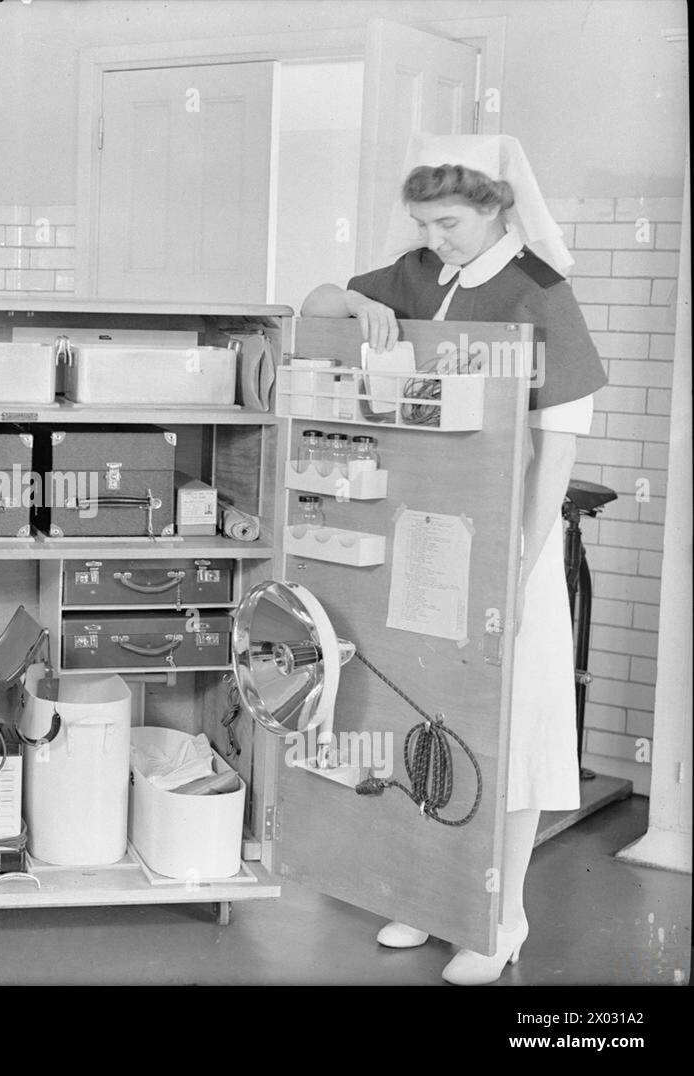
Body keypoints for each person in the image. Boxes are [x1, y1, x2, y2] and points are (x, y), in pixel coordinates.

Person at [301, 134, 607, 986]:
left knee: (506, 730)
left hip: (513, 548)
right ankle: (437, 895)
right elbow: (318, 298)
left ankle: (500, 916)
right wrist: (355, 307)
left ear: (497, 208)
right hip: (429, 538)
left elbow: (558, 453)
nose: (437, 238)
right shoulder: (419, 274)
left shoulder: (541, 292)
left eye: (450, 222)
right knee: (428, 716)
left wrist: (519, 562)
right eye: (425, 223)